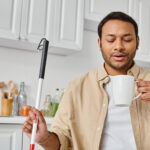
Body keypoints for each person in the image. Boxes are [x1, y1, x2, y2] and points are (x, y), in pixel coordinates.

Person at [22, 12, 150, 150]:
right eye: (111, 40)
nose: (118, 46)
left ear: (137, 42)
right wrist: (44, 138)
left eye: (127, 39)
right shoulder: (76, 87)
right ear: (100, 43)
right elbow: (62, 140)